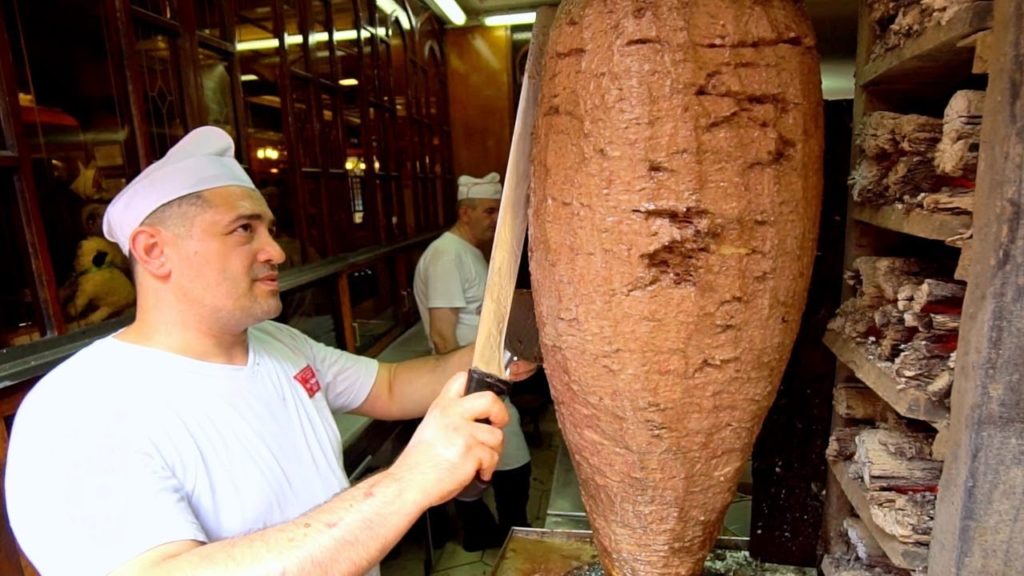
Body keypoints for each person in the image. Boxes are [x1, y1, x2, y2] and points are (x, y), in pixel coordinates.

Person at [5, 126, 523, 576]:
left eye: (269, 230)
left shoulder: (278, 344)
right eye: (243, 229)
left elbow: (389, 387)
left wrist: (513, 341)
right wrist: (410, 481)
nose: (275, 250)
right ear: (154, 250)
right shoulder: (77, 408)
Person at [413, 172, 533, 551]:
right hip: (474, 386)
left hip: (489, 382)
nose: (494, 219)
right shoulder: (447, 256)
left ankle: (494, 534)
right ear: (464, 213)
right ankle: (504, 536)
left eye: (498, 211)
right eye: (488, 211)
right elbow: (442, 335)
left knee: (496, 465)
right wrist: (470, 397)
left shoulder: (471, 253)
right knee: (507, 465)